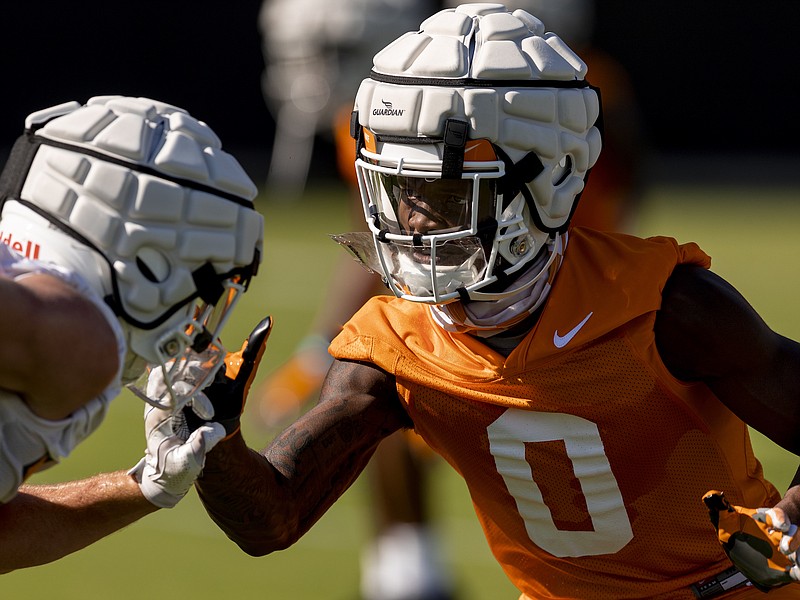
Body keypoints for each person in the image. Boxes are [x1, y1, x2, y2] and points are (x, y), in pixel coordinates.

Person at [191, 4, 800, 598]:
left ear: (545, 182)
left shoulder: (663, 307)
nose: (413, 223)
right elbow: (272, 517)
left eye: (445, 192)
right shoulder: (394, 346)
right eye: (399, 190)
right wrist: (206, 435)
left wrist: (786, 529)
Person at [0, 95, 264, 571]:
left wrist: (145, 487)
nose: (197, 319)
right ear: (151, 264)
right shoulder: (81, 340)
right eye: (201, 283)